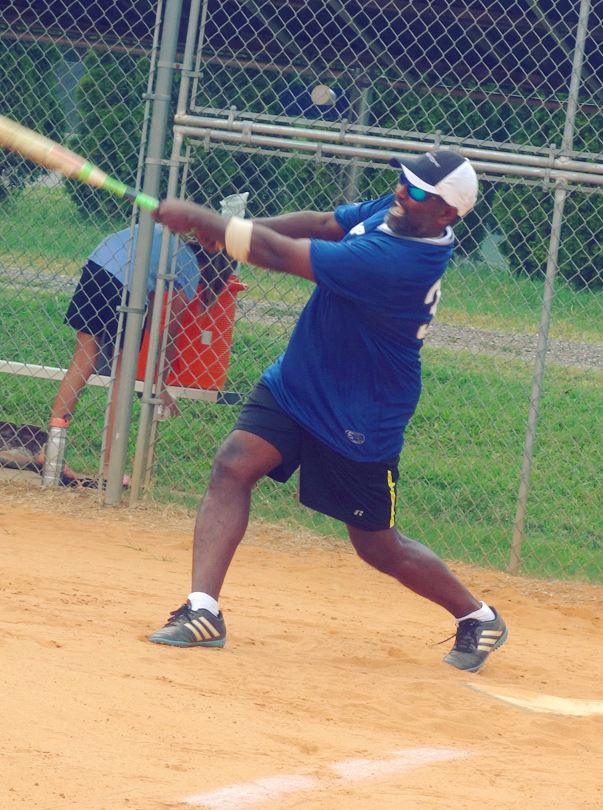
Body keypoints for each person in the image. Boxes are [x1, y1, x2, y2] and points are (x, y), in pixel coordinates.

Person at [144, 150, 508, 672]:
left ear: (448, 214)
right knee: (233, 464)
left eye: (421, 191)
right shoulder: (405, 211)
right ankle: (203, 611)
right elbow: (321, 223)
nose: (405, 192)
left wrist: (212, 224)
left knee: (378, 547)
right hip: (299, 381)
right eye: (404, 181)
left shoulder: (399, 262)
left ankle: (477, 616)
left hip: (360, 413)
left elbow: (283, 254)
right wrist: (232, 232)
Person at [0, 222, 230, 484]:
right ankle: (110, 467)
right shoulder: (188, 263)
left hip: (96, 267)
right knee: (123, 372)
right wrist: (160, 384)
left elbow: (153, 304)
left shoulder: (162, 232)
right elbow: (168, 332)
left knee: (83, 360)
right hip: (124, 286)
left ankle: (51, 453)